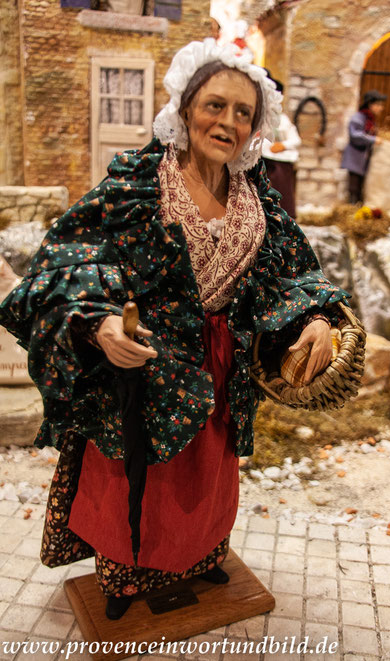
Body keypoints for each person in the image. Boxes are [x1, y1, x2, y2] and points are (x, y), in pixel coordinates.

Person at [0, 39, 349, 621]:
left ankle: (201, 558)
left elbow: (291, 276)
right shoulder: (140, 185)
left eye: (243, 113)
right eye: (215, 105)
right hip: (144, 371)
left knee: (207, 481)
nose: (228, 122)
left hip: (221, 372)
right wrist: (100, 323)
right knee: (134, 483)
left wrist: (315, 318)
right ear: (186, 108)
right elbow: (65, 263)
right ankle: (122, 578)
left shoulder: (258, 199)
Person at [262, 73, 301, 218]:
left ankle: (284, 216)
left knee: (283, 189)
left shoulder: (283, 119)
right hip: (265, 159)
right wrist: (266, 149)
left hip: (282, 161)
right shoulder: (261, 118)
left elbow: (295, 139)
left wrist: (282, 145)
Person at [341, 89, 386, 204]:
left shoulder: (369, 120)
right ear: (370, 105)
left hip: (362, 159)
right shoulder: (358, 118)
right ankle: (351, 209)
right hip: (355, 158)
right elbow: (355, 135)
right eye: (378, 105)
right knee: (354, 188)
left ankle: (357, 209)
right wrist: (373, 139)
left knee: (360, 188)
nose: (381, 108)